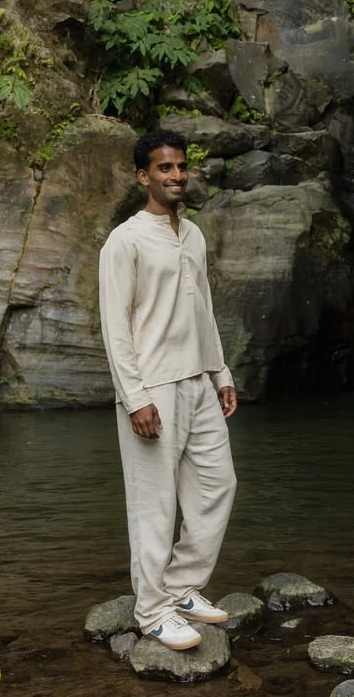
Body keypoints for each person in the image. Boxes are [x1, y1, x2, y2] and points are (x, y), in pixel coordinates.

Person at [98, 128, 239, 652]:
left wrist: (220, 372)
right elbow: (115, 325)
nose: (176, 176)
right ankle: (152, 610)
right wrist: (134, 397)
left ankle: (182, 588)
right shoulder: (126, 240)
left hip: (199, 381)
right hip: (152, 386)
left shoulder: (194, 235)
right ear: (143, 176)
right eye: (164, 168)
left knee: (216, 485)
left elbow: (202, 308)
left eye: (181, 167)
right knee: (154, 504)